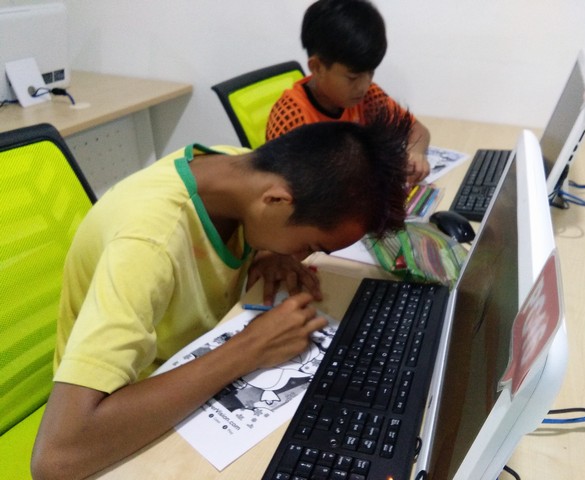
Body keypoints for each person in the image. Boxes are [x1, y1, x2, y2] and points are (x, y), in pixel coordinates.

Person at [30, 108, 412, 480]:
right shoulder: (148, 245)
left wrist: (270, 251)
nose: (302, 256)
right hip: (121, 415)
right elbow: (55, 458)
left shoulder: (238, 167)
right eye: (309, 244)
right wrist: (248, 349)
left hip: (187, 361)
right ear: (276, 201)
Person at [266, 0, 431, 185]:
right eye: (353, 78)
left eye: (370, 73)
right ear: (317, 67)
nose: (364, 86)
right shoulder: (292, 117)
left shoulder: (368, 97)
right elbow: (284, 189)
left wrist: (415, 153)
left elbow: (418, 130)